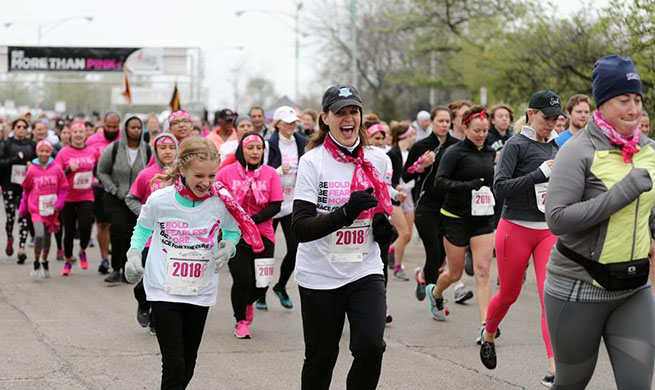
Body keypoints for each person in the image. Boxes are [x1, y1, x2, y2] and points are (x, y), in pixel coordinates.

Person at [544, 55, 655, 389]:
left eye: (637, 100)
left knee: (638, 385)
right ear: (602, 102)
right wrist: (621, 193)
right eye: (623, 100)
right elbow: (558, 219)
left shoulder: (649, 150)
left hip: (634, 286)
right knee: (571, 383)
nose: (633, 109)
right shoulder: (577, 151)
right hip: (578, 287)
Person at [123, 137, 260, 390]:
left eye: (211, 175)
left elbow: (232, 230)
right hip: (164, 289)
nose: (206, 182)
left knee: (188, 362)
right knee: (174, 363)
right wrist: (133, 254)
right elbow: (142, 228)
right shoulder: (160, 200)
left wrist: (228, 246)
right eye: (199, 175)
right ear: (182, 169)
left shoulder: (220, 201)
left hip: (200, 289)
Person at [292, 84, 391, 389]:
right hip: (319, 275)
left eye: (354, 112)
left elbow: (381, 210)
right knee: (322, 357)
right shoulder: (313, 162)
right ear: (325, 118)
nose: (348, 119)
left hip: (364, 269)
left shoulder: (379, 160)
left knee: (371, 347)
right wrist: (346, 213)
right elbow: (301, 228)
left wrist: (383, 226)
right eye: (340, 113)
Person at [479, 91, 562, 387]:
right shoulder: (516, 145)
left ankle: (554, 367)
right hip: (514, 228)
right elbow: (499, 189)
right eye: (545, 118)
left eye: (555, 119)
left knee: (548, 296)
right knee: (509, 294)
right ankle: (488, 333)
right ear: (531, 114)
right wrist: (539, 174)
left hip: (547, 231)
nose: (550, 124)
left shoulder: (555, 147)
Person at [426, 106, 496, 338]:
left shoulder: (490, 152)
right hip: (455, 218)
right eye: (477, 130)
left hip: (483, 219)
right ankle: (436, 293)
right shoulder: (454, 152)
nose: (481, 134)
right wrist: (469, 186)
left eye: (485, 130)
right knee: (455, 274)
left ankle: (486, 326)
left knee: (483, 271)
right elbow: (440, 182)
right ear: (465, 127)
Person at [217, 132, 283, 337]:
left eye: (258, 148)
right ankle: (241, 321)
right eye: (250, 147)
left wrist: (251, 221)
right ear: (241, 150)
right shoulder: (226, 173)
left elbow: (276, 205)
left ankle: (248, 302)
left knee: (261, 284)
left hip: (263, 235)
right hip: (233, 235)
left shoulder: (271, 173)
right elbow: (216, 200)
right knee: (242, 279)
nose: (255, 152)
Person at [403, 107, 469, 302]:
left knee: (441, 255)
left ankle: (423, 276)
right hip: (426, 206)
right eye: (440, 121)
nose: (444, 125)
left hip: (449, 206)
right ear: (432, 122)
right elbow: (406, 175)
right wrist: (421, 166)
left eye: (447, 121)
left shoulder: (457, 146)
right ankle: (435, 299)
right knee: (433, 252)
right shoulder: (420, 145)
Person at [125, 133, 179, 335]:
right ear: (155, 151)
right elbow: (131, 199)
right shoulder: (146, 174)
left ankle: (157, 320)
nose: (167, 151)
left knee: (164, 279)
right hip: (149, 237)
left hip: (173, 238)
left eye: (171, 147)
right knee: (145, 279)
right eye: (162, 147)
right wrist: (147, 215)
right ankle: (141, 301)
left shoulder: (183, 174)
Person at [256, 106, 307, 310]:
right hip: (272, 204)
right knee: (265, 253)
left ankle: (280, 286)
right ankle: (260, 294)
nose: (291, 126)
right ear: (277, 124)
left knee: (295, 249)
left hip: (293, 203)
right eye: (287, 122)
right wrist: (277, 171)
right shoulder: (269, 145)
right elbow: (261, 172)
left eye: (293, 122)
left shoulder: (302, 143)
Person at [97, 116, 151, 283]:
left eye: (138, 128)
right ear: (125, 129)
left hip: (136, 199)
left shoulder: (147, 150)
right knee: (118, 231)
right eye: (132, 127)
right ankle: (116, 269)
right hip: (117, 198)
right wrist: (114, 189)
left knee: (132, 234)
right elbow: (102, 171)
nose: (136, 130)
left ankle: (130, 270)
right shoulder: (114, 148)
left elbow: (152, 172)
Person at [54, 122, 99, 276]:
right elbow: (57, 176)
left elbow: (97, 169)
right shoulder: (64, 153)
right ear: (71, 134)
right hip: (68, 197)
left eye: (81, 131)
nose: (79, 134)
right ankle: (68, 259)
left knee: (86, 225)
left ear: (85, 134)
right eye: (76, 132)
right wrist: (68, 170)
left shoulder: (92, 151)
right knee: (69, 230)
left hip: (86, 195)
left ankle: (82, 250)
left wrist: (96, 178)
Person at [18, 140, 67, 279]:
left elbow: (64, 187)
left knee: (47, 238)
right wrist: (23, 207)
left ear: (50, 153)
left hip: (51, 210)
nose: (44, 154)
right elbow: (26, 189)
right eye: (41, 151)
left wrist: (60, 203)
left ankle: (44, 261)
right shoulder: (32, 169)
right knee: (39, 235)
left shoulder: (56, 168)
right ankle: (36, 261)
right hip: (36, 209)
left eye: (47, 151)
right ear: (37, 152)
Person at [87, 112, 121, 274]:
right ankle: (104, 259)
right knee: (102, 224)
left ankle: (119, 257)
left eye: (115, 127)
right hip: (100, 188)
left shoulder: (125, 140)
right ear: (103, 124)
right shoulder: (93, 141)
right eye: (109, 127)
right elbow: (86, 161)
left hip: (120, 189)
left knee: (119, 226)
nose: (112, 130)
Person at [0, 117, 36, 262]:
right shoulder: (6, 144)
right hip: (9, 185)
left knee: (24, 218)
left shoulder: (32, 145)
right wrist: (13, 160)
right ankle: (10, 237)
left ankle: (21, 248)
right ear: (13, 128)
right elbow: (0, 162)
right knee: (10, 217)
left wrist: (31, 165)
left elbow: (39, 162)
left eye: (24, 127)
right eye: (18, 127)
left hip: (25, 188)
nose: (21, 129)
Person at [387, 122, 416, 281]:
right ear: (407, 136)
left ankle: (394, 256)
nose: (414, 138)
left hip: (409, 196)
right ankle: (395, 261)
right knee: (403, 234)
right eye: (413, 135)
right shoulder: (392, 154)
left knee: (408, 236)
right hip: (395, 197)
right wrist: (396, 188)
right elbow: (387, 179)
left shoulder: (411, 153)